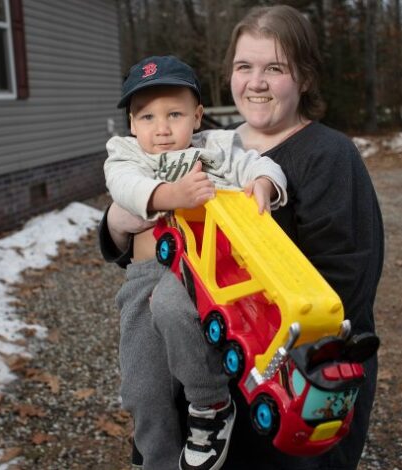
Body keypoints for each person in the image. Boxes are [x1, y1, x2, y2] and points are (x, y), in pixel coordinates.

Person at [100, 5, 384, 469]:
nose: (256, 81)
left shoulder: (328, 155)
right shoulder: (209, 143)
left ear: (305, 78)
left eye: (275, 67)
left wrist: (242, 330)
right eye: (244, 66)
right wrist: (117, 220)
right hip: (194, 379)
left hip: (278, 378)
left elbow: (346, 285)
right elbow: (146, 241)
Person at [105, 55, 288, 470]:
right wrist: (171, 196)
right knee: (141, 387)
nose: (162, 127)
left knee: (175, 311)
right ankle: (155, 460)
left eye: (174, 113)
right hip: (144, 274)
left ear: (198, 116)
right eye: (147, 116)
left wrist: (262, 182)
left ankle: (210, 405)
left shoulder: (215, 149)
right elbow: (125, 187)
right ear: (132, 124)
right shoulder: (126, 155)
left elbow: (260, 163)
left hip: (200, 270)